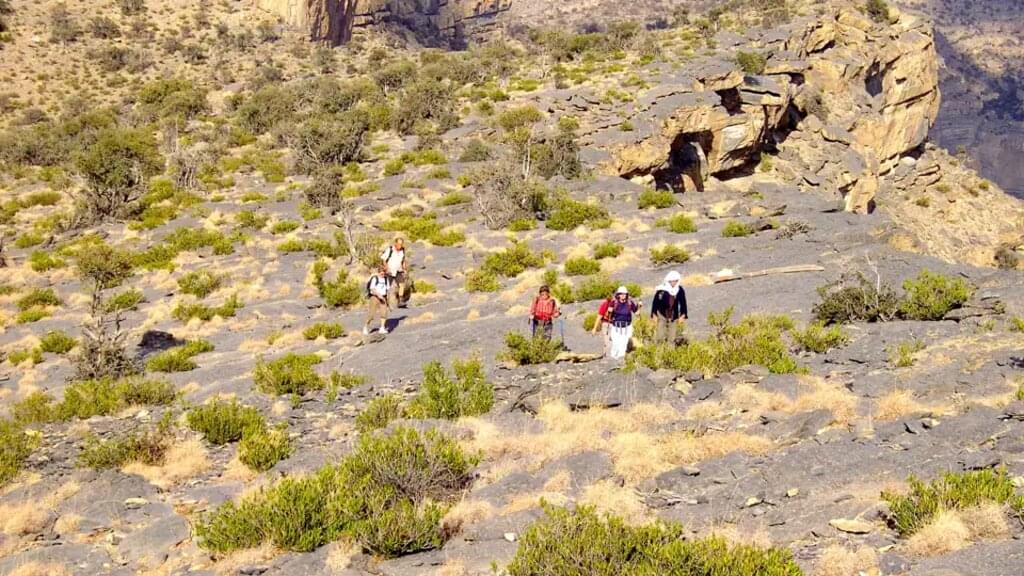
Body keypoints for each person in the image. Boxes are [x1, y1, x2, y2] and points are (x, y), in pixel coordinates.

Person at [650, 270, 687, 344]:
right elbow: (655, 302)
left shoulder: (679, 290)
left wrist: (683, 314)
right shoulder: (661, 290)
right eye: (671, 281)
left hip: (674, 315)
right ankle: (659, 353)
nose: (673, 283)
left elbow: (683, 302)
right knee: (660, 336)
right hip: (662, 314)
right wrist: (653, 313)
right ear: (668, 281)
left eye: (675, 281)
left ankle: (671, 354)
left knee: (672, 338)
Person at [606, 286, 640, 360]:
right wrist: (609, 311)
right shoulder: (614, 303)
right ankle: (613, 358)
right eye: (621, 294)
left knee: (624, 344)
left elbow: (636, 312)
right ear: (618, 295)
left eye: (624, 294)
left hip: (626, 327)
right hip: (616, 327)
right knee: (615, 343)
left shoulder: (629, 303)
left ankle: (620, 359)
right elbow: (608, 315)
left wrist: (639, 307)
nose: (623, 295)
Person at [381, 238, 408, 308]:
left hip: (398, 271)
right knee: (386, 287)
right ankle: (383, 301)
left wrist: (404, 269)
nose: (400, 245)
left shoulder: (402, 251)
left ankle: (400, 301)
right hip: (389, 271)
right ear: (395, 243)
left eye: (401, 244)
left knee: (401, 285)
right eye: (399, 244)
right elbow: (384, 259)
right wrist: (386, 268)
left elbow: (403, 260)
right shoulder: (390, 249)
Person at [363, 265, 390, 335]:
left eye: (384, 272)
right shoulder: (375, 279)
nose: (383, 274)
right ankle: (366, 326)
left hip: (383, 297)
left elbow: (387, 290)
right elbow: (372, 289)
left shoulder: (386, 279)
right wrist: (378, 295)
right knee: (371, 314)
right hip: (374, 297)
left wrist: (387, 300)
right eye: (381, 273)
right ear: (378, 272)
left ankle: (382, 328)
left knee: (384, 313)